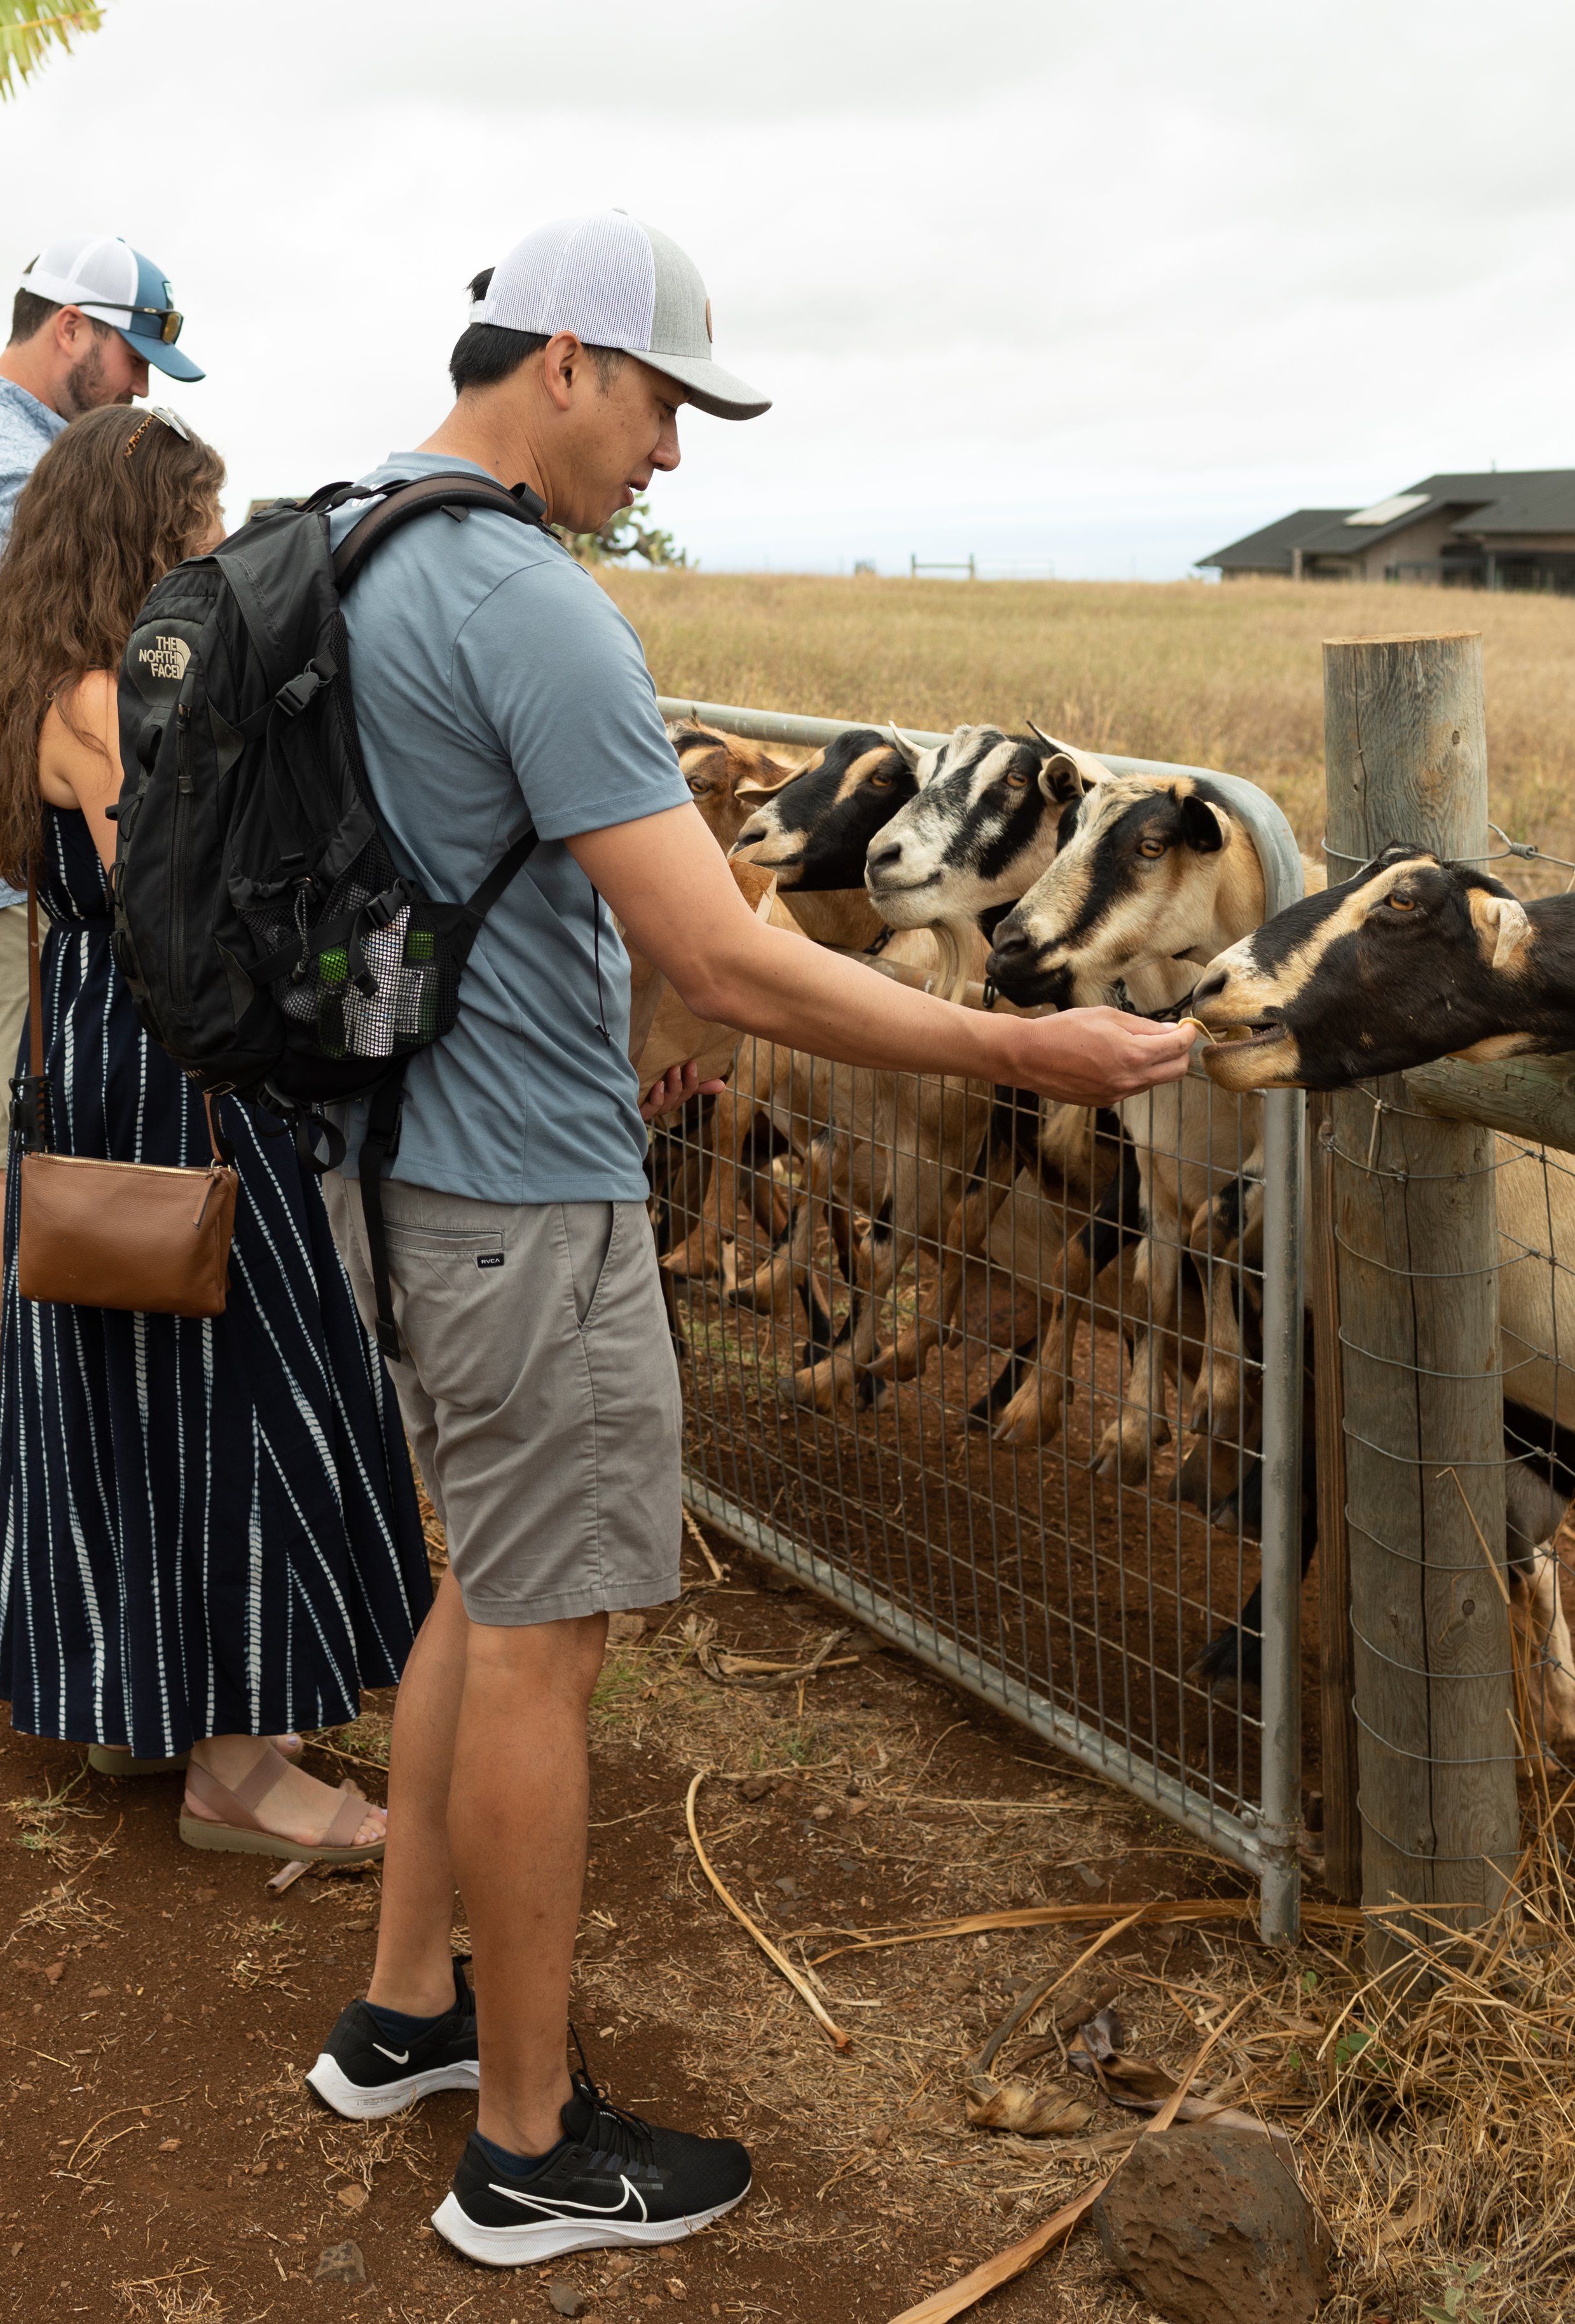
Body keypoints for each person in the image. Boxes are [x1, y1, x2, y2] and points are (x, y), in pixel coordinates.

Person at [301, 208, 1198, 2267]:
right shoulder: (534, 606)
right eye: (665, 405)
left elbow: (458, 886)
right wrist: (1022, 1048)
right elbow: (735, 960)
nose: (675, 460)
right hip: (527, 1199)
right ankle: (527, 2152)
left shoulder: (354, 543)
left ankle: (405, 2013)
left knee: (479, 1589)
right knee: (543, 1643)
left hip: (397, 1167)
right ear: (565, 366)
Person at [0, 403, 432, 1860]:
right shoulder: (106, 703)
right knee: (245, 1382)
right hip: (173, 1077)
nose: (214, 543)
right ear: (141, 534)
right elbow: (170, 908)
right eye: (198, 519)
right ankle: (240, 1771)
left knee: (130, 1382)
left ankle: (143, 1701)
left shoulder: (38, 680)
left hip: (93, 1065)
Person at [0, 236, 203, 1344]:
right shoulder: (20, 473)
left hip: (27, 877)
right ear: (71, 325)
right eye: (136, 355)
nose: (142, 386)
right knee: (7, 1160)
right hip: (21, 893)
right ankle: (42, 1381)